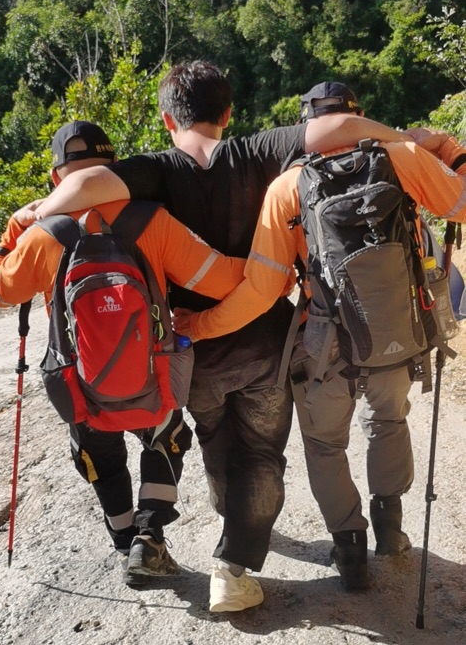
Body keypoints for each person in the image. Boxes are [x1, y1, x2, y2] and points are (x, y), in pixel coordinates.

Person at [10, 62, 419, 612]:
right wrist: (406, 139)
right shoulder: (260, 150)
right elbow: (345, 128)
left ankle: (233, 520)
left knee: (216, 443)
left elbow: (84, 185)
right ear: (228, 113)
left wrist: (37, 214)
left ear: (164, 118)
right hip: (264, 344)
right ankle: (235, 563)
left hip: (191, 350)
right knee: (263, 455)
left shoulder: (151, 171)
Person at [173, 82, 466, 591]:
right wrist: (452, 151)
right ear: (359, 116)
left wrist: (200, 325)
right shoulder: (401, 158)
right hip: (394, 331)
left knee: (325, 444)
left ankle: (349, 549)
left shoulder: (288, 188)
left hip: (323, 342)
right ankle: (391, 530)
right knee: (389, 419)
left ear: (307, 129)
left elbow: (262, 291)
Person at [0, 120, 246, 586]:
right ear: (114, 168)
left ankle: (125, 541)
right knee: (165, 437)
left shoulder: (42, 236)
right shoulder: (151, 220)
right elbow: (224, 280)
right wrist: (271, 264)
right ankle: (149, 540)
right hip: (152, 374)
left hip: (79, 383)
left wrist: (14, 229)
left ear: (55, 177)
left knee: (97, 452)